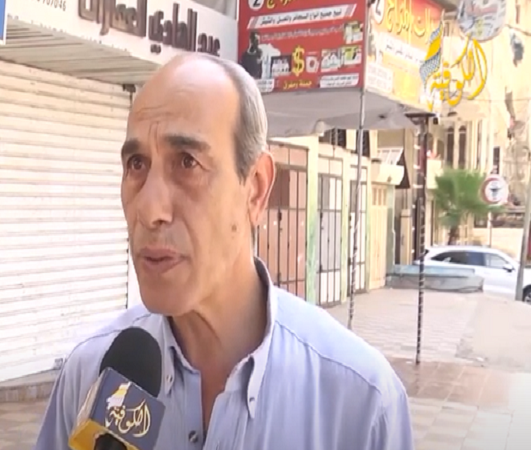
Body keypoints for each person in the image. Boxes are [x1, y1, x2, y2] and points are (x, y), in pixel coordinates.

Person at [33, 54, 413, 450]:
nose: (149, 209)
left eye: (187, 162)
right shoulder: (90, 375)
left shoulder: (361, 403)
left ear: (256, 189)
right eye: (137, 164)